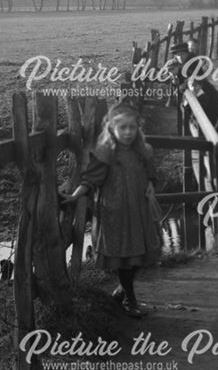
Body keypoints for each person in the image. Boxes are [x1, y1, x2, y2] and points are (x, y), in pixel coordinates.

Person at [60, 102, 162, 318]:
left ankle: (122, 290)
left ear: (138, 129)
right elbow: (90, 179)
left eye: (132, 128)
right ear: (112, 129)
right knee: (123, 256)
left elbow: (151, 172)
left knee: (139, 254)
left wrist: (151, 184)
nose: (127, 132)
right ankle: (129, 300)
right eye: (122, 128)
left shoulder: (141, 151)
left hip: (138, 210)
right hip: (114, 213)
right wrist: (75, 195)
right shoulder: (105, 153)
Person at [166, 41, 218, 124]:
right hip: (200, 96)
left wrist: (182, 82)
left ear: (187, 53)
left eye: (182, 54)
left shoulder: (192, 63)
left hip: (207, 95)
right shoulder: (183, 62)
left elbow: (194, 79)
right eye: (177, 55)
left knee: (211, 122)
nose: (180, 57)